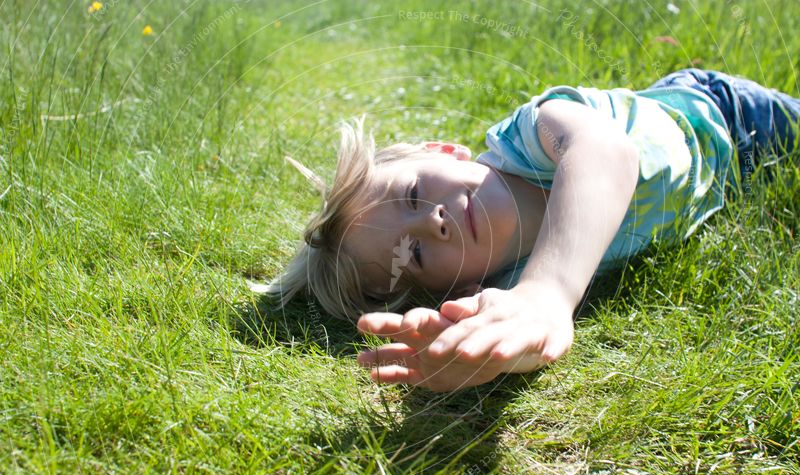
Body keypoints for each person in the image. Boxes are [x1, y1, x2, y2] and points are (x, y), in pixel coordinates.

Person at [253, 69, 800, 391]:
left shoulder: (533, 134)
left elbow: (606, 153)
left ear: (444, 151)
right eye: (413, 252)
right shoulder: (504, 284)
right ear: (450, 289)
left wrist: (551, 292)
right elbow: (527, 335)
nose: (433, 220)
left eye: (414, 195)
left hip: (730, 117)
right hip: (728, 191)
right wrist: (469, 351)